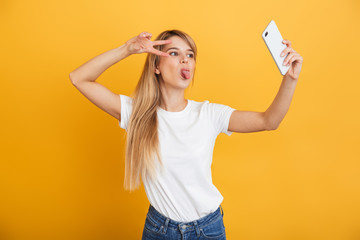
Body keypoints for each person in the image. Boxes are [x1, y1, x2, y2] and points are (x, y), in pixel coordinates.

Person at [70, 29, 303, 240]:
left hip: (208, 230)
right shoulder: (137, 114)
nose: (185, 59)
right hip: (159, 230)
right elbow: (79, 78)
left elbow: (269, 121)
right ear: (156, 67)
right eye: (174, 53)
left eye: (190, 55)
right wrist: (126, 49)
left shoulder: (209, 113)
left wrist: (290, 79)